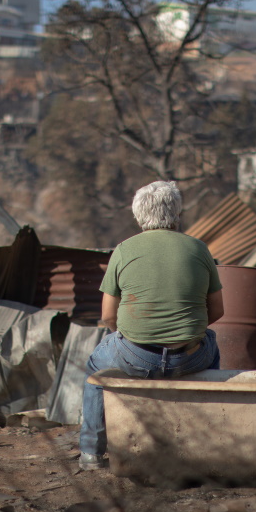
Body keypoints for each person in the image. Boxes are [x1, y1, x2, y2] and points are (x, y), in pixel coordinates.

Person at [79, 181, 225, 470]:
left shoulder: (123, 250)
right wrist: (183, 331)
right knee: (211, 341)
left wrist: (137, 336)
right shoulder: (199, 249)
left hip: (136, 356)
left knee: (96, 368)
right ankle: (208, 444)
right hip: (191, 356)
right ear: (177, 212)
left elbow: (108, 316)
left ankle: (91, 453)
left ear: (137, 214)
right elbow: (218, 310)